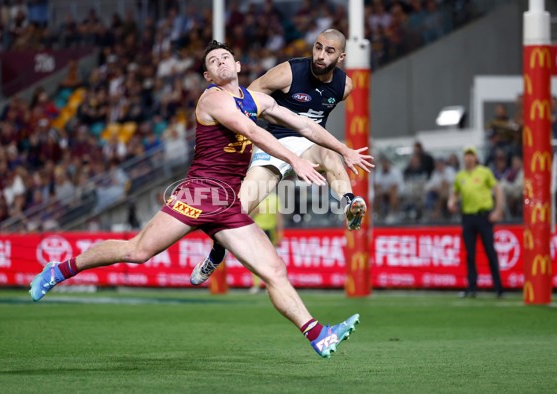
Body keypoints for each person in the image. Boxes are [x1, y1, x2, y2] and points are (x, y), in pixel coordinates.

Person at [30, 40, 374, 358]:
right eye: (213, 61)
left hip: (227, 203)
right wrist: (295, 159)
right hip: (199, 193)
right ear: (208, 75)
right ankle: (59, 270)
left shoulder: (259, 100)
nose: (221, 62)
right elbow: (253, 131)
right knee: (137, 251)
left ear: (238, 65)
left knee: (274, 271)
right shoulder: (212, 98)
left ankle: (318, 335)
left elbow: (306, 126)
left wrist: (343, 149)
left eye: (225, 57)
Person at [191, 29, 369, 286]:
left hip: (311, 143)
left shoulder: (345, 86)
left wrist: (346, 150)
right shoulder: (289, 72)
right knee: (237, 210)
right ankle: (215, 255)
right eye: (317, 47)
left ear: (340, 57)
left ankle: (348, 203)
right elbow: (247, 96)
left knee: (332, 153)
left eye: (328, 51)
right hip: (274, 144)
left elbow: (312, 126)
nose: (320, 55)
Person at [447, 146, 504, 298]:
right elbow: (455, 193)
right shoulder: (460, 176)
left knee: (490, 252)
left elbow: (498, 189)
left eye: (471, 155)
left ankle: (498, 287)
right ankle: (472, 287)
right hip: (467, 217)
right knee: (470, 254)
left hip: (484, 216)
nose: (468, 158)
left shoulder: (484, 172)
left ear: (475, 157)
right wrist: (451, 202)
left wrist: (498, 210)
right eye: (466, 155)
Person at [249, 192, 283, 294]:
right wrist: (255, 211)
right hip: (257, 230)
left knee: (270, 259)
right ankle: (256, 284)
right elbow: (247, 214)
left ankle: (270, 284)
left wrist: (280, 233)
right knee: (256, 258)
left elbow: (278, 217)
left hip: (270, 231)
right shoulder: (255, 198)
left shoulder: (274, 198)